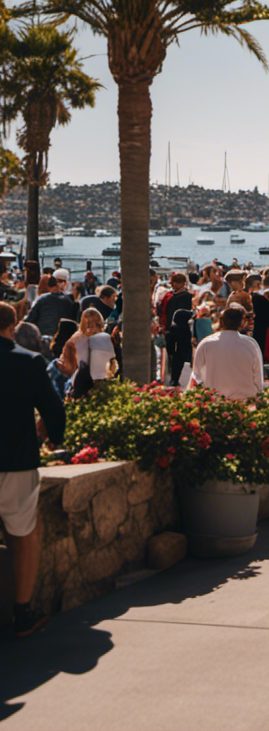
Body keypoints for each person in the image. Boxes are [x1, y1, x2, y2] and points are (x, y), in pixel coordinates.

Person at [0, 301, 66, 636]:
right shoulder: (28, 361)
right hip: (15, 459)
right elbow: (54, 410)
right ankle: (22, 614)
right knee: (24, 533)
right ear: (12, 327)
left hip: (15, 459)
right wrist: (53, 436)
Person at [190, 303, 263, 400]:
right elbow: (258, 377)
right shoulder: (251, 344)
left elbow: (197, 376)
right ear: (242, 323)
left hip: (215, 402)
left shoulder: (205, 344)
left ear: (220, 322)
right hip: (245, 401)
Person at [25, 268, 77, 338]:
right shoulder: (69, 301)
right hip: (62, 339)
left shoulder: (41, 299)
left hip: (43, 338)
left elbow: (30, 320)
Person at [70, 307, 117, 382]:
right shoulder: (78, 340)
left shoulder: (105, 339)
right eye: (89, 325)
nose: (92, 329)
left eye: (95, 324)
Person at [165, 308, 194, 387]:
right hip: (181, 352)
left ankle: (174, 381)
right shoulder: (186, 329)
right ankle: (175, 381)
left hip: (175, 352)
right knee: (178, 367)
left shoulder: (173, 329)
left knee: (175, 367)